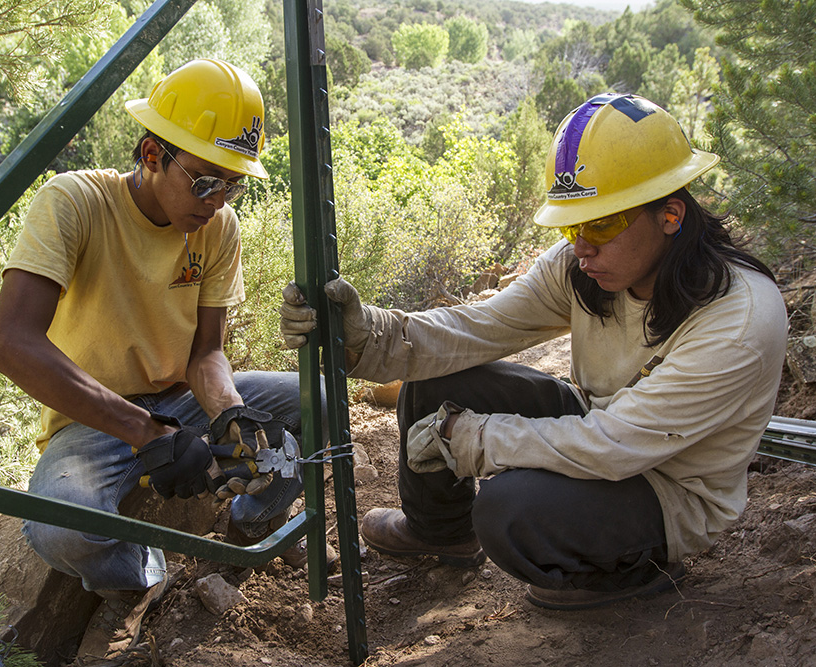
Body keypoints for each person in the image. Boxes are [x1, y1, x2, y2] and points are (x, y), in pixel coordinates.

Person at [280, 93, 787, 611]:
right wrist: (366, 337)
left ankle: (629, 568)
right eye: (573, 226)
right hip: (604, 423)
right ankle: (439, 532)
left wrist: (479, 437)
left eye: (602, 224)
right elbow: (475, 329)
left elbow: (616, 445)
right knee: (437, 381)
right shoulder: (585, 267)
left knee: (509, 511)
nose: (582, 247)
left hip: (669, 488)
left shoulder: (737, 321)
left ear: (670, 215)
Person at [0, 59, 324, 664]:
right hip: (92, 419)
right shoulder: (74, 203)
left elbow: (206, 352)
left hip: (181, 398)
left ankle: (253, 525)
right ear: (150, 153)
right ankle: (142, 577)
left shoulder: (218, 228)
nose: (217, 200)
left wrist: (228, 415)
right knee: (60, 528)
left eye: (232, 184)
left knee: (318, 402)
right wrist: (146, 433)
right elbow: (13, 344)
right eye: (203, 182)